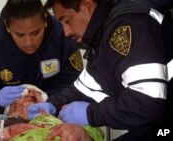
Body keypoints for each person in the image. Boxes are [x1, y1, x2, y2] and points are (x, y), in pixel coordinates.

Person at [27, 0, 173, 140]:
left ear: (88, 5)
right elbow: (85, 88)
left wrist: (90, 114)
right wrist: (53, 105)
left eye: (67, 20)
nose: (65, 32)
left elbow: (146, 103)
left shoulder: (127, 25)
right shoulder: (102, 38)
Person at [0, 0, 83, 114]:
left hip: (56, 110)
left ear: (45, 20)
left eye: (36, 33)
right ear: (7, 26)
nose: (29, 42)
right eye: (20, 35)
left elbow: (77, 84)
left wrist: (49, 100)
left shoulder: (64, 35)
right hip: (10, 116)